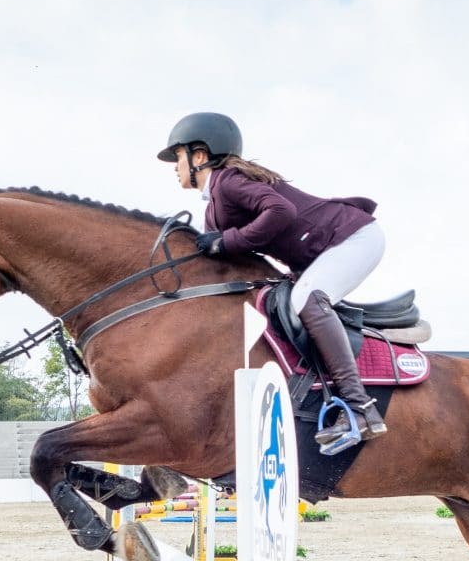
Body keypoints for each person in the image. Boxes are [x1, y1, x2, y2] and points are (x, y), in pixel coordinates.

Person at [159, 112, 388, 453]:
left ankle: (360, 409)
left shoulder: (228, 180)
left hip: (354, 237)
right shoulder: (214, 207)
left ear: (200, 156)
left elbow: (281, 212)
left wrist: (227, 241)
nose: (173, 166)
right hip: (328, 249)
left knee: (307, 300)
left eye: (177, 157)